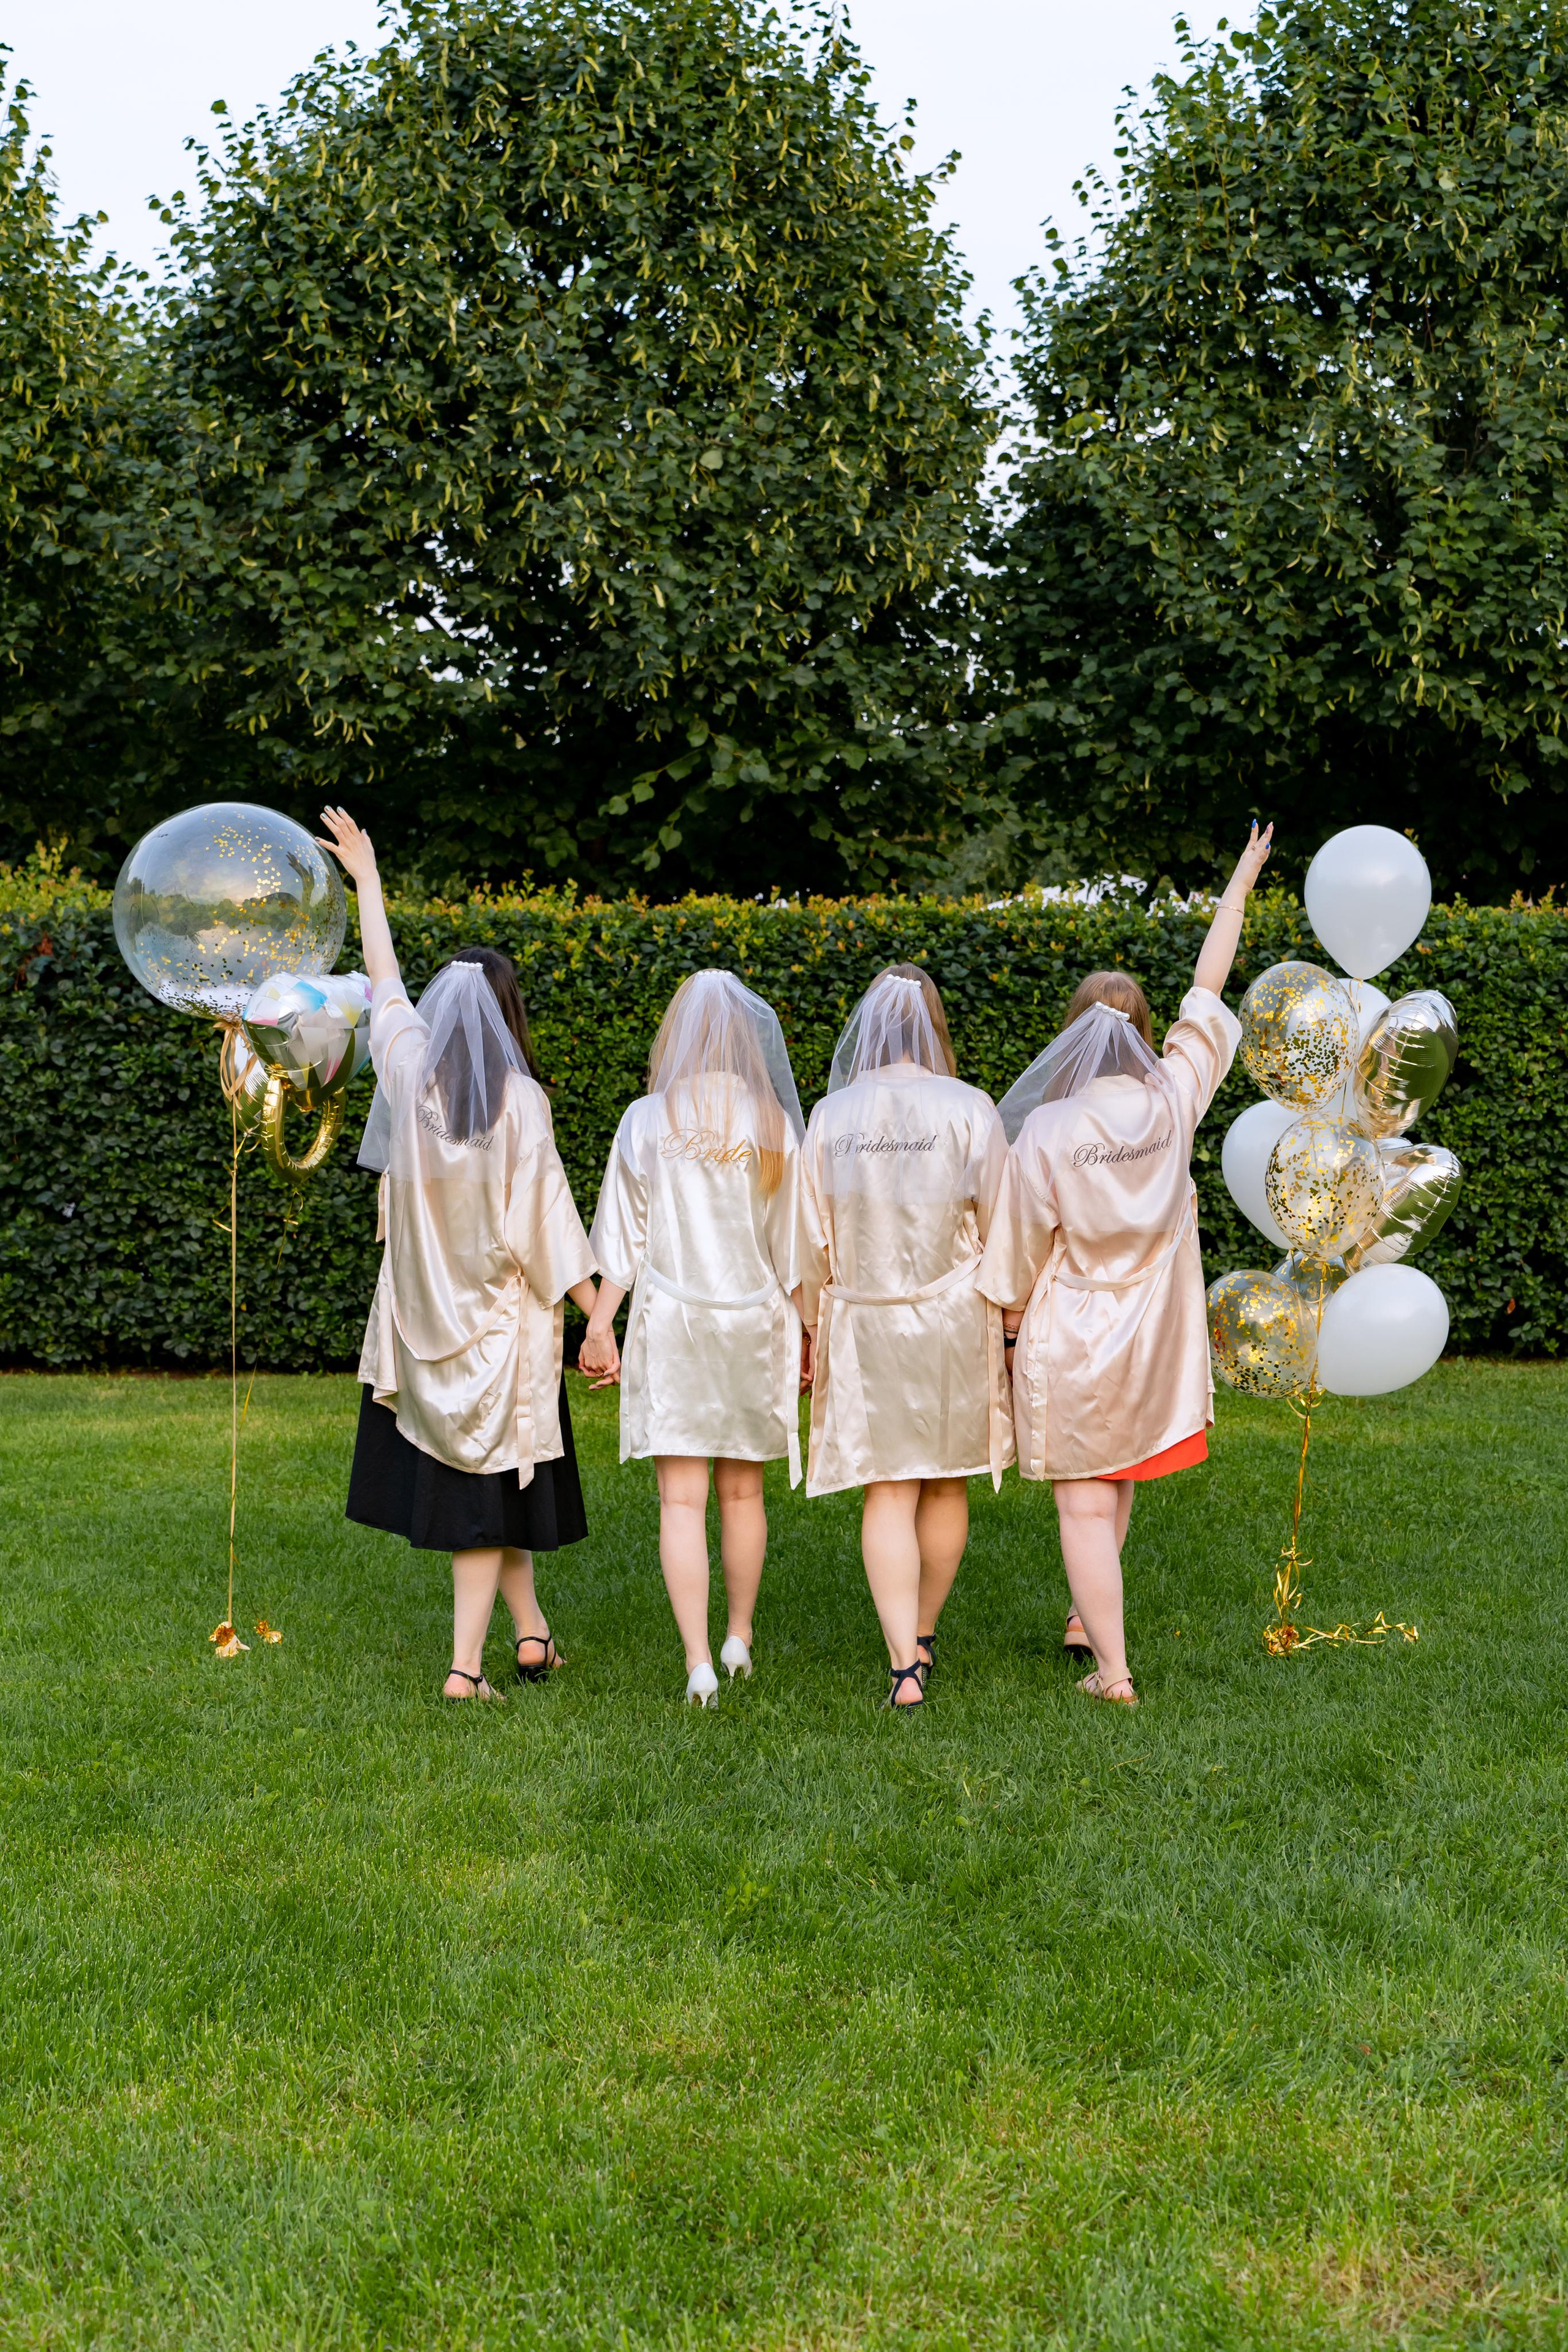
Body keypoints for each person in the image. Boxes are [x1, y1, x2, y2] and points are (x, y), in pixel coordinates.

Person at [977, 823, 1275, 1706]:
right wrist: (1240, 884)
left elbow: (1019, 1247)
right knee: (1123, 1474)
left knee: (1081, 1501)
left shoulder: (1049, 1130)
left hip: (1070, 1332)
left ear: (1071, 1038)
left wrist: (1003, 1327)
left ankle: (1113, 1670)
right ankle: (1086, 1620)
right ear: (1148, 1033)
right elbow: (1208, 989)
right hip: (1154, 1337)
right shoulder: (1174, 1099)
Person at [318, 808, 601, 1702]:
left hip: (420, 1328)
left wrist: (369, 882)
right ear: (509, 1016)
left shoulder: (407, 1075)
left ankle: (532, 1637)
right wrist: (604, 1322)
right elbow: (548, 1228)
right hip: (502, 1337)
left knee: (494, 1500)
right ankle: (463, 1669)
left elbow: (385, 982)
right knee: (485, 1505)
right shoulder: (523, 1105)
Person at [577, 970, 807, 1706]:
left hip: (674, 1323)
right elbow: (791, 1243)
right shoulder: (771, 1123)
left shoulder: (646, 1119)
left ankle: (698, 1661)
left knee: (681, 1500)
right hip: (752, 1321)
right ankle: (740, 1633)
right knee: (744, 1491)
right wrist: (808, 1330)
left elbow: (623, 1235)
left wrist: (600, 1321)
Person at [797, 965, 1014, 1709]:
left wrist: (807, 1321)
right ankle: (922, 1633)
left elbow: (809, 1237)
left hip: (866, 1324)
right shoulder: (969, 1108)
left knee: (888, 1487)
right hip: (951, 1318)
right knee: (945, 1477)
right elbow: (1001, 1225)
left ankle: (902, 1666)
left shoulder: (833, 1116)